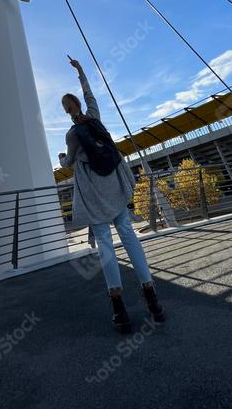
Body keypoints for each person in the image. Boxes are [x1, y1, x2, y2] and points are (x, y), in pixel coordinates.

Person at [59, 57, 165, 333]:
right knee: (128, 234)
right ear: (79, 105)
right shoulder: (94, 116)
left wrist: (61, 158)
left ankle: (119, 308)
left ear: (66, 111)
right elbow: (90, 94)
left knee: (105, 244)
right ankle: (152, 298)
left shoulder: (71, 135)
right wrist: (80, 71)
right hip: (114, 184)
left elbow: (69, 163)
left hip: (94, 191)